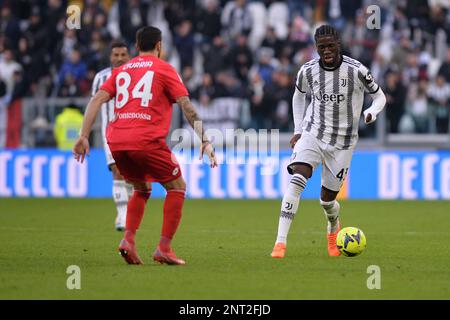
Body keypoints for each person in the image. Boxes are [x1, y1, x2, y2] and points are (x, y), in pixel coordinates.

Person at [73, 26, 217, 265]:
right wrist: (204, 139)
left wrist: (84, 135)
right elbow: (186, 106)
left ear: (136, 47)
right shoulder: (166, 69)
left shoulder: (121, 71)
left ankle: (128, 241)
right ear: (159, 46)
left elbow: (97, 99)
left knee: (141, 189)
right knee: (177, 187)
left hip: (117, 141)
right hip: (146, 140)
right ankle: (164, 248)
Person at [271, 25, 386, 258]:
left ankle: (333, 228)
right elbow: (298, 96)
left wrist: (372, 112)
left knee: (327, 201)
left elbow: (380, 96)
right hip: (313, 133)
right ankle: (280, 243)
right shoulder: (308, 71)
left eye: (330, 46)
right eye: (321, 47)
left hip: (343, 143)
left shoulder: (357, 70)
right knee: (297, 179)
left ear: (338, 44)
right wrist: (298, 129)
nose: (326, 51)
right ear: (316, 48)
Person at [91, 40, 132, 231]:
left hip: (134, 132)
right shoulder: (101, 78)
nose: (119, 58)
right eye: (116, 55)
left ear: (129, 56)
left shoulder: (137, 75)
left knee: (133, 176)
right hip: (111, 133)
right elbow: (94, 105)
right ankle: (123, 216)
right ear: (110, 57)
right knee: (118, 170)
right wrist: (85, 134)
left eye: (123, 55)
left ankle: (129, 212)